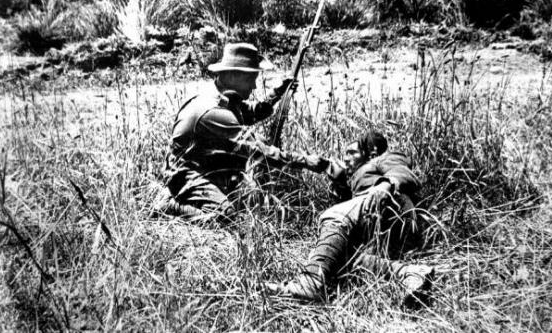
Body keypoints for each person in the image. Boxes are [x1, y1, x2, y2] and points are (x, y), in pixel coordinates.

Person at [152, 43, 328, 223]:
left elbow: (251, 113)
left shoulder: (224, 96)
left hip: (203, 166)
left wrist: (278, 92)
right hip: (185, 174)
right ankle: (168, 205)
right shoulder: (214, 110)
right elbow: (260, 152)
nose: (254, 86)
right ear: (234, 75)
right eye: (250, 79)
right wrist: (307, 161)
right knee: (223, 216)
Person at [267, 131, 434, 303]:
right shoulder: (351, 177)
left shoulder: (382, 159)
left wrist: (384, 185)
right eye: (345, 153)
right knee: (333, 256)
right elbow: (321, 164)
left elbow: (401, 171)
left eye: (352, 152)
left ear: (370, 153)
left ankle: (309, 284)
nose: (346, 158)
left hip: (394, 209)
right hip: (377, 227)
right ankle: (409, 273)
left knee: (334, 215)